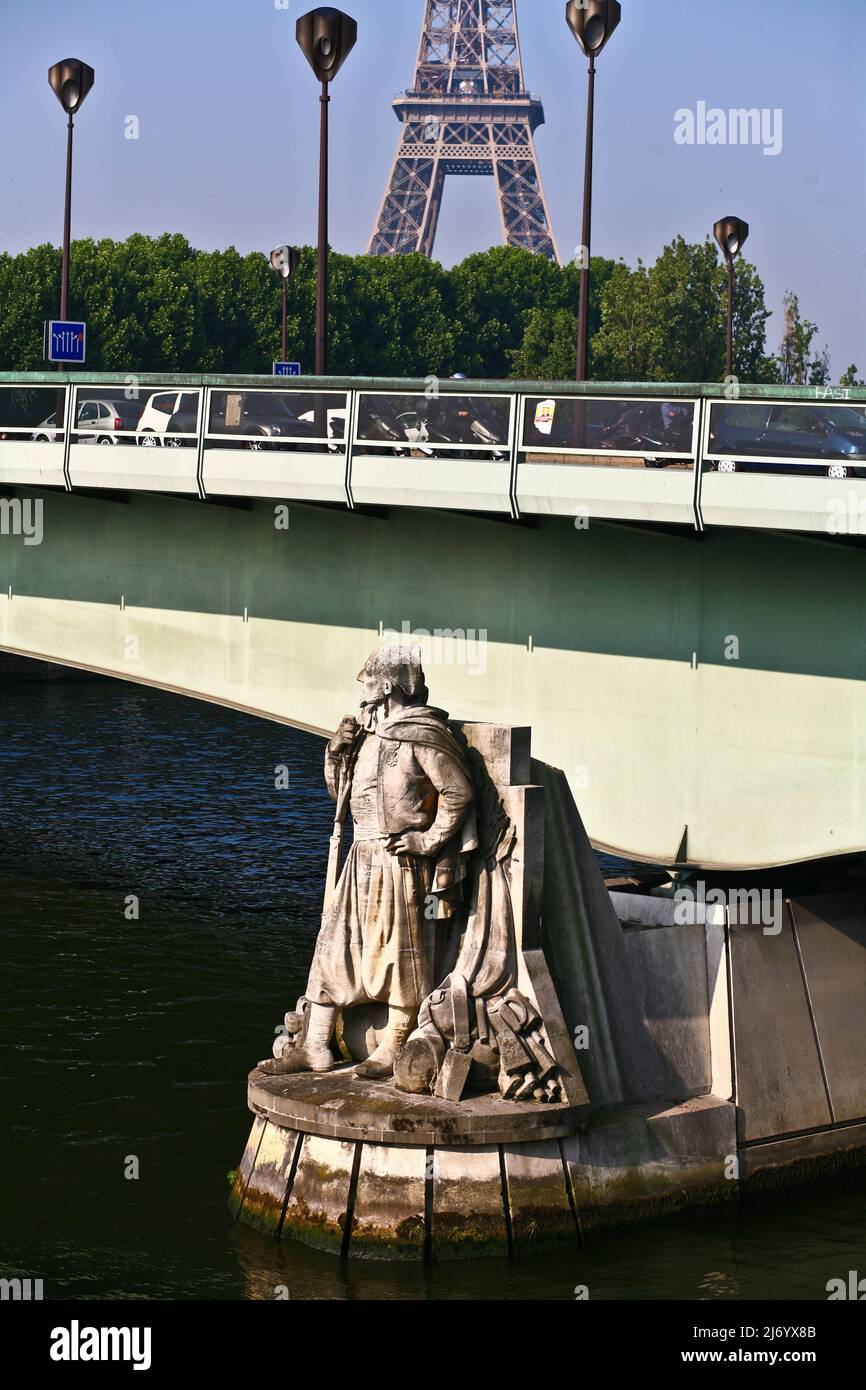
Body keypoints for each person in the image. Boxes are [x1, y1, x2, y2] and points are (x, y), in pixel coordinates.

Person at [268, 646, 476, 1081]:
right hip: (359, 857)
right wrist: (336, 755)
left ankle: (395, 1041)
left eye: (366, 682)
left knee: (399, 954)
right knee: (332, 949)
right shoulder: (367, 737)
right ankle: (316, 1045)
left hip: (398, 861)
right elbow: (342, 798)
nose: (360, 692)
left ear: (386, 686)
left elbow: (458, 792)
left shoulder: (422, 734)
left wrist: (427, 838)